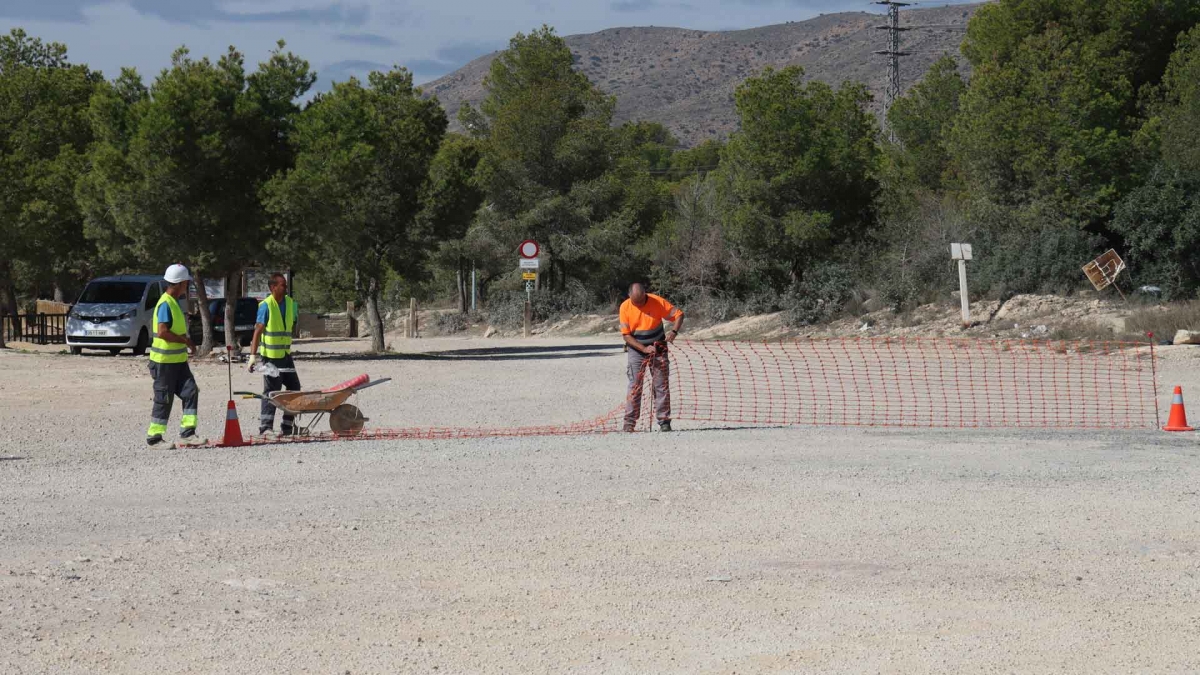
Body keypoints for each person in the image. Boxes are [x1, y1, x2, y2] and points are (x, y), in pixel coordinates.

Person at [147, 264, 203, 446]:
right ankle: (154, 438)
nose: (187, 285)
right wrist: (185, 341)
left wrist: (185, 342)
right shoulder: (165, 303)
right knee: (164, 398)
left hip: (178, 361)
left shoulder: (174, 302)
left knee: (191, 391)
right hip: (163, 362)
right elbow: (162, 332)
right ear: (180, 283)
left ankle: (188, 433)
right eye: (186, 282)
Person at [619, 283, 685, 432]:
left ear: (645, 294)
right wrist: (643, 348)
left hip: (658, 347)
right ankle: (629, 423)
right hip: (636, 348)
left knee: (661, 385)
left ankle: (664, 421)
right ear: (629, 296)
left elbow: (679, 314)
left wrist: (674, 332)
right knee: (635, 386)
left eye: (642, 300)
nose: (640, 304)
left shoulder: (657, 301)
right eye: (636, 302)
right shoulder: (624, 307)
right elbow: (626, 336)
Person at [248, 273, 301, 437]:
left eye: (285, 285)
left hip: (285, 355)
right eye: (282, 285)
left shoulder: (291, 304)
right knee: (271, 391)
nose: (286, 288)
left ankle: (287, 426)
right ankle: (265, 428)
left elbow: (292, 324)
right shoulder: (266, 305)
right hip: (269, 357)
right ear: (273, 288)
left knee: (294, 388)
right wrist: (252, 356)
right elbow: (258, 331)